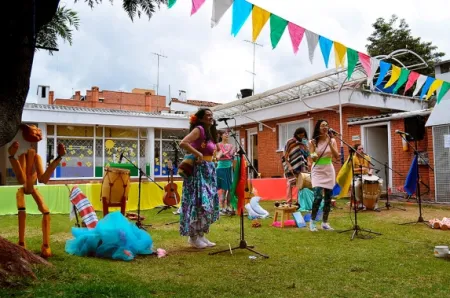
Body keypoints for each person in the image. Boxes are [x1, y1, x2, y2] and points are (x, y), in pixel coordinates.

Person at [179, 109, 220, 249]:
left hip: (208, 171)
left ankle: (201, 234)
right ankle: (193, 237)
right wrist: (198, 154)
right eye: (207, 115)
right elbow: (183, 143)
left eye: (211, 115)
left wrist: (215, 158)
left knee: (207, 204)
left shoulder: (209, 132)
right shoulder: (199, 129)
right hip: (198, 172)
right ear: (201, 119)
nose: (210, 117)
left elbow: (216, 149)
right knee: (198, 202)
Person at [308, 119, 339, 231]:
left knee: (328, 198)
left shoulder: (333, 140)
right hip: (317, 170)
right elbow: (313, 156)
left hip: (328, 169)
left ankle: (325, 222)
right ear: (318, 128)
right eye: (322, 126)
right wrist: (313, 155)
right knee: (317, 197)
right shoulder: (313, 142)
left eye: (326, 125)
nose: (325, 127)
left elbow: (336, 156)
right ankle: (312, 222)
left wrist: (330, 144)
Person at [282, 127, 311, 203]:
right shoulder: (290, 142)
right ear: (297, 134)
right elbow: (285, 156)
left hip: (302, 166)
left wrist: (308, 161)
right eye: (300, 135)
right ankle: (289, 201)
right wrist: (289, 166)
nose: (302, 137)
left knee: (300, 184)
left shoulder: (304, 142)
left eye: (303, 135)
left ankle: (299, 202)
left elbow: (307, 154)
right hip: (291, 165)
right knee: (290, 183)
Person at [351, 144, 383, 210]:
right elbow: (352, 169)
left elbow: (371, 167)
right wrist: (360, 169)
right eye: (359, 149)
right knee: (356, 186)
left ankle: (376, 203)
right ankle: (359, 202)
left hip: (366, 175)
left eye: (362, 148)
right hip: (357, 176)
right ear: (355, 150)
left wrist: (370, 172)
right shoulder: (353, 158)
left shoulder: (367, 157)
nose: (361, 150)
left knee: (380, 184)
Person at [216, 130, 236, 215]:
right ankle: (222, 207)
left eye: (228, 134)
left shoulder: (231, 146)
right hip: (221, 168)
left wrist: (232, 152)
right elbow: (217, 156)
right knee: (224, 189)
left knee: (230, 189)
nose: (227, 135)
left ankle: (228, 206)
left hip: (229, 167)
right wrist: (224, 153)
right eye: (225, 134)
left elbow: (231, 155)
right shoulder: (218, 145)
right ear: (221, 136)